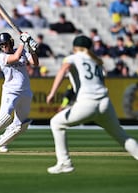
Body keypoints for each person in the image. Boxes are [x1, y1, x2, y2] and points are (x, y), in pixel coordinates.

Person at [46, 35, 138, 174]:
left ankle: (65, 163)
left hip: (88, 103)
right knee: (121, 136)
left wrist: (52, 93)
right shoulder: (97, 61)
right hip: (105, 103)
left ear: (75, 48)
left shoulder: (74, 57)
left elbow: (63, 69)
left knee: (56, 123)